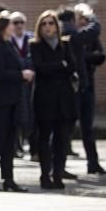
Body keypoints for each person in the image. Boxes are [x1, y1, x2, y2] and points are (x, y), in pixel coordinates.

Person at [0, 15, 33, 192]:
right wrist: (21, 75)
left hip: (11, 100)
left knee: (10, 141)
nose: (13, 27)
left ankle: (8, 179)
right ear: (2, 27)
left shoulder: (8, 45)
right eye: (10, 24)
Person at [30, 10, 79, 189]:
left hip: (64, 99)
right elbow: (41, 68)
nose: (48, 27)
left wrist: (58, 67)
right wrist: (60, 65)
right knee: (44, 139)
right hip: (45, 98)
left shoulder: (65, 45)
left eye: (51, 23)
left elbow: (72, 66)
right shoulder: (35, 46)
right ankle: (45, 175)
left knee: (62, 139)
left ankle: (57, 174)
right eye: (44, 24)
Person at [67, 3, 106, 174]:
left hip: (87, 83)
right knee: (67, 126)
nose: (84, 22)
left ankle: (93, 162)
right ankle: (57, 166)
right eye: (81, 18)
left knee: (88, 126)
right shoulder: (71, 34)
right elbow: (94, 30)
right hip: (72, 86)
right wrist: (87, 57)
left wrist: (85, 57)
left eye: (85, 19)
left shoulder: (89, 38)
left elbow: (101, 56)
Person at [9, 11, 35, 159]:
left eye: (21, 22)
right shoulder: (8, 41)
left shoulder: (31, 39)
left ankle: (32, 148)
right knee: (16, 116)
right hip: (15, 83)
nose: (18, 25)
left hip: (30, 83)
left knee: (30, 115)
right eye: (15, 22)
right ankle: (14, 148)